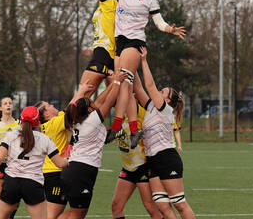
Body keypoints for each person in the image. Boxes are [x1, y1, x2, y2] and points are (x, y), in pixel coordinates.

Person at [97, 0, 186, 148]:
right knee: (123, 84)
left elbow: (159, 22)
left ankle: (118, 126)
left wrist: (170, 29)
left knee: (123, 82)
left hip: (134, 43)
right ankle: (134, 129)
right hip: (120, 42)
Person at [133, 47, 195, 219]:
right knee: (162, 206)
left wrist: (144, 61)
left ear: (167, 100)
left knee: (180, 204)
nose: (159, 92)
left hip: (167, 158)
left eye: (163, 92)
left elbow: (149, 85)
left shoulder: (165, 108)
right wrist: (130, 62)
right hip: (153, 160)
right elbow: (138, 88)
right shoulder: (152, 106)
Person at [58, 69, 127, 219]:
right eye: (91, 103)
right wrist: (117, 81)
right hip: (80, 171)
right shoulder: (92, 121)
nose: (95, 103)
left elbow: (101, 101)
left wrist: (110, 85)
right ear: (89, 109)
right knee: (77, 214)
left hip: (77, 170)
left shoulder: (80, 120)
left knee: (78, 213)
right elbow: (107, 102)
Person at [0, 106, 69, 219]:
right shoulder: (44, 139)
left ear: (21, 120)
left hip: (12, 182)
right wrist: (69, 160)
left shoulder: (11, 136)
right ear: (37, 121)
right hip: (33, 184)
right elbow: (60, 163)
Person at [34, 81, 93, 219]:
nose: (52, 105)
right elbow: (71, 111)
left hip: (55, 173)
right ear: (46, 115)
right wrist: (81, 91)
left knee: (69, 213)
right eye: (48, 106)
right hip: (55, 174)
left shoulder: (54, 120)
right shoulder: (52, 124)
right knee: (53, 215)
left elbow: (69, 108)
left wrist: (81, 93)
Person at [79, 0, 119, 98]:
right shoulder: (110, 5)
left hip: (102, 54)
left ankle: (66, 124)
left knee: (80, 98)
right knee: (109, 101)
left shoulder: (109, 5)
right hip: (107, 55)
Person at [111, 103, 163, 219]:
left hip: (143, 167)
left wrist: (128, 86)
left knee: (151, 207)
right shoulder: (122, 110)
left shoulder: (139, 111)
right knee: (116, 206)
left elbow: (129, 91)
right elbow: (113, 91)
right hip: (128, 168)